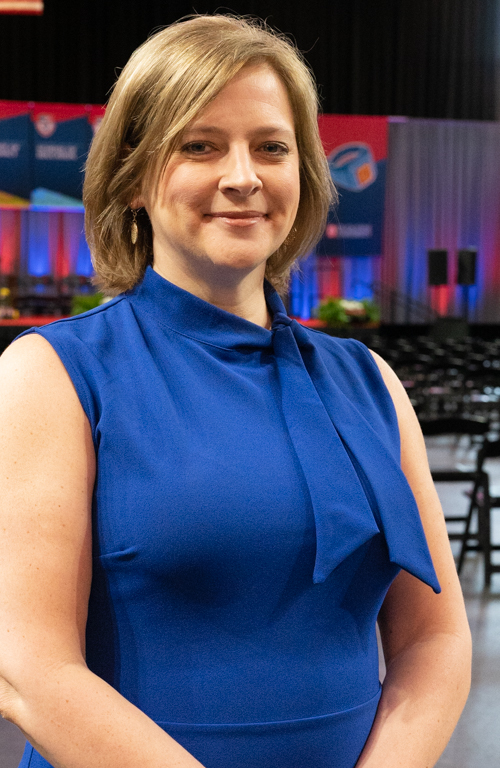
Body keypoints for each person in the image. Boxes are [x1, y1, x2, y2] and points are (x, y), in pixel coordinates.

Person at [0, 14, 471, 768]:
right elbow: (28, 670)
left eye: (271, 147)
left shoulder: (371, 382)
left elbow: (434, 636)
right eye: (201, 145)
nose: (244, 175)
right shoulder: (54, 373)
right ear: (133, 176)